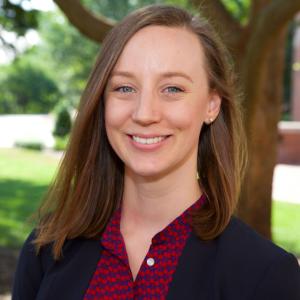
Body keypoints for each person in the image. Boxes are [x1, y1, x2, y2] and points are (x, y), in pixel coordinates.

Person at [12, 4, 300, 300]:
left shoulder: (266, 276)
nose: (145, 113)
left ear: (211, 105)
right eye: (124, 88)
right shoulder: (47, 248)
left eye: (172, 89)